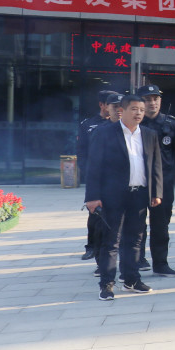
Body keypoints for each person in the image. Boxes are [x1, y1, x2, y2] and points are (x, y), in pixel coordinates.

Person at [83, 94, 162, 300]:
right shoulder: (105, 133)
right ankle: (107, 284)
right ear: (122, 110)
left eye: (142, 110)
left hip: (139, 194)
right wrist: (92, 197)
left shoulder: (149, 134)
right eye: (134, 109)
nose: (139, 113)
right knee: (111, 241)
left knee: (135, 240)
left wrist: (156, 192)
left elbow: (155, 166)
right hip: (113, 196)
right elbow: (93, 166)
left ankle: (131, 279)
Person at [133, 85, 175, 277]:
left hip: (163, 183)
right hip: (138, 181)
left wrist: (167, 173)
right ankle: (138, 260)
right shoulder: (134, 123)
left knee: (161, 225)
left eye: (155, 99)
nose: (152, 103)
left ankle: (161, 264)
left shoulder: (171, 123)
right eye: (147, 99)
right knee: (136, 224)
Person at [76, 90, 121, 261]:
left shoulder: (123, 124)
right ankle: (91, 247)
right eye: (113, 105)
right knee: (95, 214)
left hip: (114, 178)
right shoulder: (88, 125)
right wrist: (87, 171)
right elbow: (82, 151)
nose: (118, 109)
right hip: (95, 176)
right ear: (103, 105)